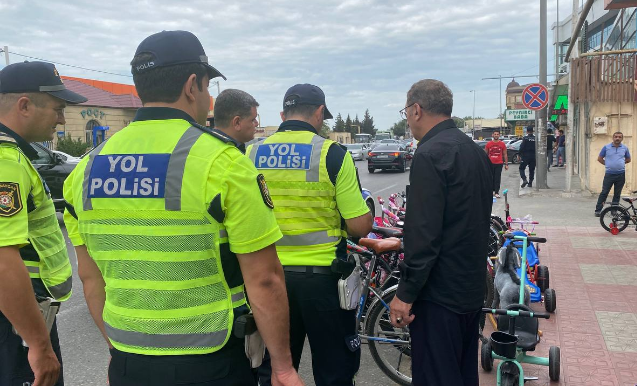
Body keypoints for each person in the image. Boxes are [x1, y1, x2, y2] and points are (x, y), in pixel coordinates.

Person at [61, 31, 303, 386]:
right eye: (208, 86)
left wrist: (118, 350)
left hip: (128, 361)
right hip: (210, 361)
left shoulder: (84, 170)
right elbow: (264, 279)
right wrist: (282, 367)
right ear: (193, 86)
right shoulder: (223, 162)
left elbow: (90, 276)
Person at [248, 83, 372, 386]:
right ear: (319, 113)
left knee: (274, 371)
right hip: (323, 283)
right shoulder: (333, 154)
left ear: (282, 114)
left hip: (267, 280)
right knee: (334, 370)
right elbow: (358, 226)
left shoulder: (250, 153)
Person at [389, 79, 492, 386]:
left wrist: (405, 294)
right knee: (462, 375)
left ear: (416, 110)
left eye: (406, 112)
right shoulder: (476, 152)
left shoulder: (430, 154)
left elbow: (424, 235)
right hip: (470, 289)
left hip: (438, 297)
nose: (407, 119)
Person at [0, 61, 87, 386]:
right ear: (24, 105)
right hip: (16, 322)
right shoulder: (5, 160)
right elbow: (3, 260)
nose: (62, 119)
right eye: (57, 108)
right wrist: (38, 344)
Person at [594, 132, 631, 217]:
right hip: (609, 174)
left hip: (621, 175)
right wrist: (608, 164)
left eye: (619, 137)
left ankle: (614, 211)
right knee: (604, 192)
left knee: (617, 194)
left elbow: (628, 159)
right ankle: (598, 210)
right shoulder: (606, 147)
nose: (617, 138)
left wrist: (620, 163)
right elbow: (600, 159)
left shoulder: (625, 148)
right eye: (616, 137)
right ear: (613, 138)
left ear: (622, 138)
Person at [484, 130, 508, 198]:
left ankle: (496, 192)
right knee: (490, 178)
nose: (496, 135)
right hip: (490, 164)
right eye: (495, 134)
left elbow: (505, 154)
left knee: (497, 178)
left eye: (497, 134)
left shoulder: (502, 144)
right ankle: (490, 191)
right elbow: (485, 154)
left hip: (499, 163)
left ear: (499, 135)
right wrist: (485, 163)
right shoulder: (488, 144)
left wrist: (506, 164)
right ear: (492, 135)